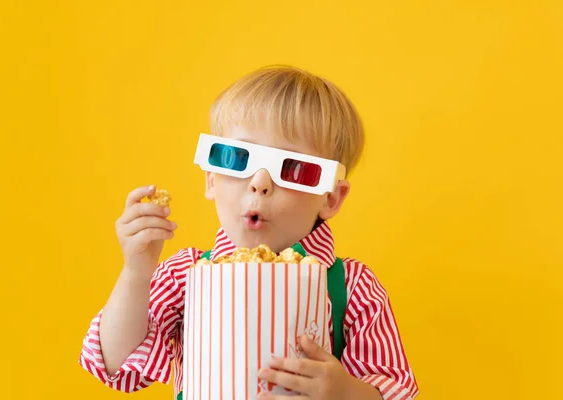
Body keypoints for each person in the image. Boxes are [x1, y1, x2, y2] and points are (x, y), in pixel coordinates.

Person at [79, 65, 419, 400]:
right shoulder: (185, 274)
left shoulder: (352, 288)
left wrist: (347, 394)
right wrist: (136, 273)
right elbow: (116, 364)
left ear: (330, 197)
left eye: (294, 168)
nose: (259, 183)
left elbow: (397, 391)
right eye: (237, 158)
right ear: (211, 178)